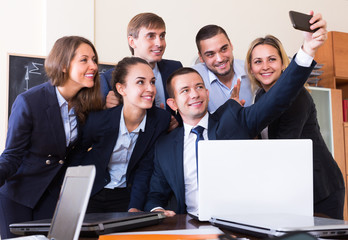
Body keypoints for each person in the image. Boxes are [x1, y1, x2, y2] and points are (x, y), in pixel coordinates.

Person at [144, 11, 327, 216]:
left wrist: (307, 50)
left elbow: (277, 98)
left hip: (235, 221)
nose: (194, 94)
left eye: (199, 87)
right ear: (172, 103)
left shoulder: (232, 119)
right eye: (185, 91)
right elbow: (155, 196)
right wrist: (158, 211)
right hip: (187, 225)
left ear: (207, 91)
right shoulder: (165, 145)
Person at [0, 36, 104, 238]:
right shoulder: (29, 102)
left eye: (94, 60)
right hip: (18, 195)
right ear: (63, 65)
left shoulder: (86, 104)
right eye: (84, 60)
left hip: (52, 198)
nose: (93, 66)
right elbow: (12, 155)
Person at [246, 34, 345, 219]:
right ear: (251, 69)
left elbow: (284, 147)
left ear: (284, 64)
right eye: (258, 61)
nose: (265, 66)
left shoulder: (297, 96)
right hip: (294, 185)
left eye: (272, 59)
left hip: (320, 187)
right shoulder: (260, 96)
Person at [70, 57, 171, 213]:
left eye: (152, 82)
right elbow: (77, 156)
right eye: (140, 82)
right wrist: (69, 196)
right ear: (121, 89)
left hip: (128, 195)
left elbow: (145, 167)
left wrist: (135, 207)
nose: (150, 89)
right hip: (92, 192)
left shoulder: (159, 120)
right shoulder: (98, 121)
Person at [101, 12, 183, 111]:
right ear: (132, 41)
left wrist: (177, 121)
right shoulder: (108, 79)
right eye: (150, 36)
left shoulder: (175, 68)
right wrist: (107, 108)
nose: (159, 43)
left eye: (162, 36)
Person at [192, 25, 253, 112]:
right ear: (201, 57)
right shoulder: (192, 80)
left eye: (224, 49)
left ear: (231, 45)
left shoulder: (251, 70)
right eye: (210, 54)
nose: (220, 59)